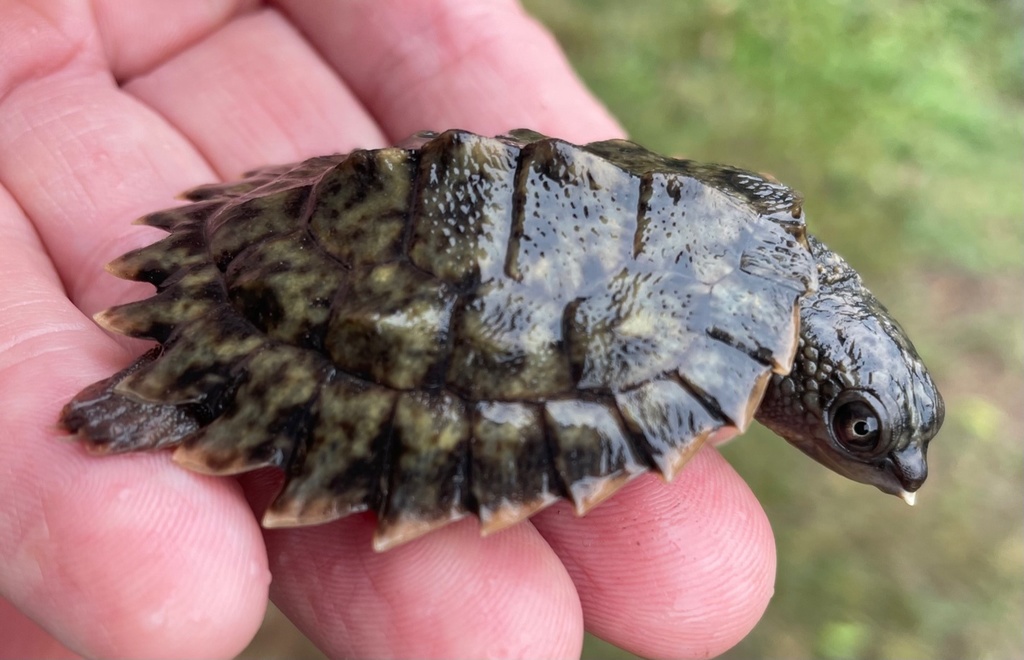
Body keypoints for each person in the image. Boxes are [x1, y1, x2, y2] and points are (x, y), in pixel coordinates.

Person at [0, 2, 775, 658]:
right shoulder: (750, 258)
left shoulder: (744, 252)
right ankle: (200, 387)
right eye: (858, 430)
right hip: (332, 274)